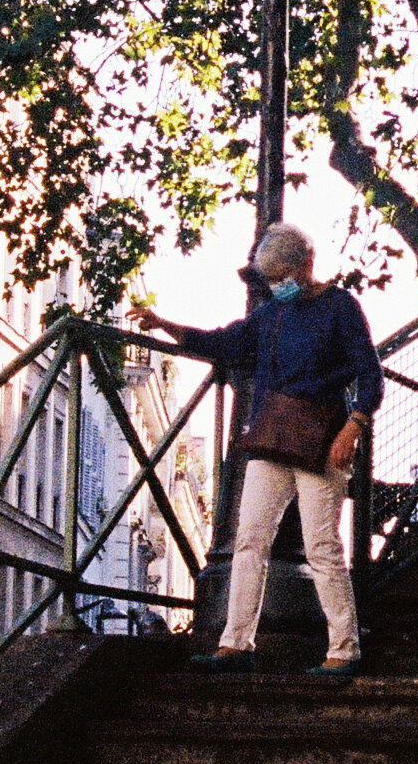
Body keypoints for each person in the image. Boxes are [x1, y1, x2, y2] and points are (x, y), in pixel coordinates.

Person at [135, 223, 382, 680]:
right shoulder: (271, 315)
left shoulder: (340, 308)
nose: (275, 285)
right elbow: (224, 342)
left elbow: (370, 373)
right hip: (273, 437)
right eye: (269, 278)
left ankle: (344, 648)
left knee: (322, 546)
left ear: (306, 265)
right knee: (250, 540)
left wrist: (354, 425)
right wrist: (168, 327)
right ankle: (236, 643)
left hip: (321, 437)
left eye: (281, 274)